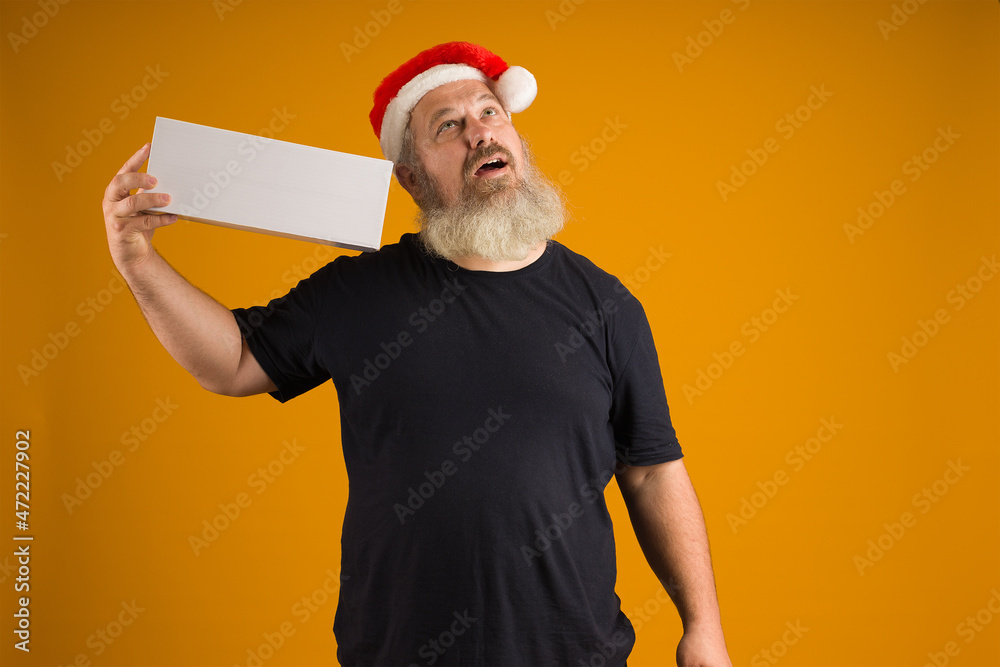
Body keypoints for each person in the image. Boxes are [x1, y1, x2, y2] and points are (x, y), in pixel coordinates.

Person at [101, 41, 733, 667]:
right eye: (448, 127)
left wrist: (702, 626)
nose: (480, 135)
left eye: (490, 113)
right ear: (409, 176)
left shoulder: (606, 305)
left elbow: (652, 471)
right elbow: (234, 362)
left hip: (572, 653)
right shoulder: (358, 292)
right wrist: (138, 263)